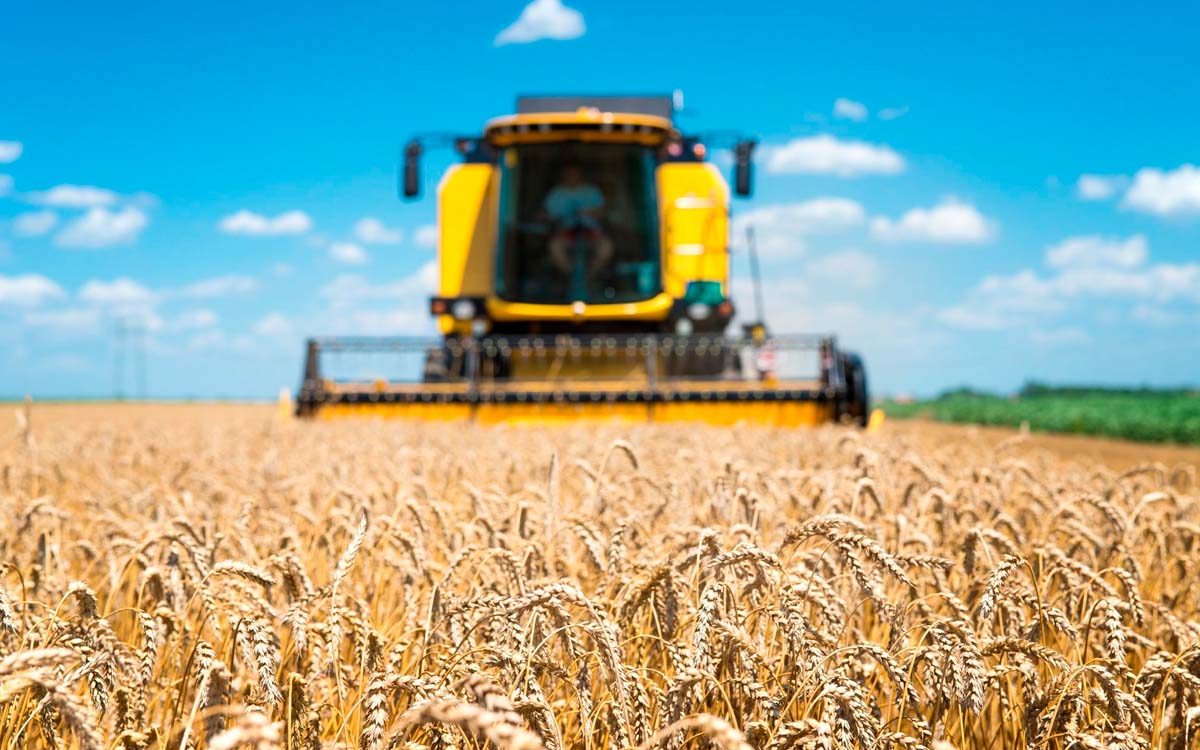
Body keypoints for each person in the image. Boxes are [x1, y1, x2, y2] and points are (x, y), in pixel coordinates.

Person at [543, 164, 614, 280]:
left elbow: (603, 212)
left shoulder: (592, 191)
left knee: (606, 247)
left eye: (575, 174)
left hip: (590, 231)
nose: (572, 176)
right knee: (554, 247)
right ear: (564, 176)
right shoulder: (557, 193)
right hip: (567, 232)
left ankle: (591, 276)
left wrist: (588, 213)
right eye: (569, 174)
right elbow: (547, 214)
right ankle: (573, 277)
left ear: (580, 175)